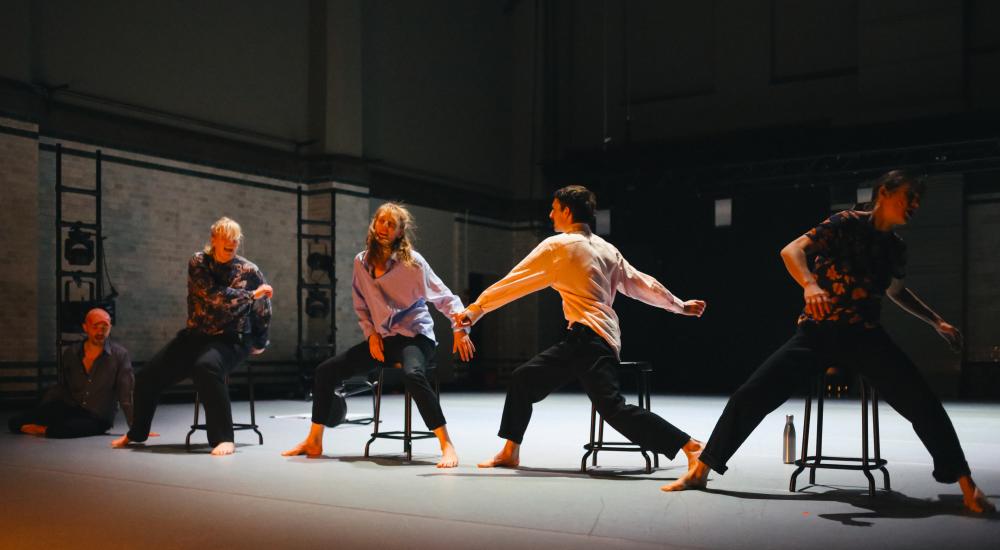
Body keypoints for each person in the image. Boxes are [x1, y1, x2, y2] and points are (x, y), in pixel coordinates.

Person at [664, 170, 995, 514]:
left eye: (918, 201)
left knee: (924, 404)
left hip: (866, 338)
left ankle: (967, 487)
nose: (914, 206)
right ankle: (701, 470)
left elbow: (897, 291)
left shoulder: (895, 247)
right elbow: (791, 251)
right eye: (908, 197)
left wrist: (935, 320)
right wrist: (810, 284)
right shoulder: (846, 223)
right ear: (885, 192)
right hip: (817, 333)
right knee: (752, 395)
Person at [452, 185, 707, 470]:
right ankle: (510, 451)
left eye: (554, 208)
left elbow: (515, 282)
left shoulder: (557, 246)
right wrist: (678, 305)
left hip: (589, 341)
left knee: (613, 408)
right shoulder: (607, 249)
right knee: (523, 380)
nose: (550, 214)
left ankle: (691, 445)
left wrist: (475, 309)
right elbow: (641, 284)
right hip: (590, 340)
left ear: (567, 211)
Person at [283, 202, 475, 468]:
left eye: (391, 224)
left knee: (413, 374)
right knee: (325, 371)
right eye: (381, 221)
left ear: (399, 232)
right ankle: (314, 440)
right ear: (374, 224)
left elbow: (445, 297)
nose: (384, 227)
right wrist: (371, 334)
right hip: (383, 340)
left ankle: (446, 444)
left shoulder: (413, 263)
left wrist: (460, 329)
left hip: (416, 336)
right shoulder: (361, 262)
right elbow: (360, 304)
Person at [112, 217, 272, 456]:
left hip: (232, 338)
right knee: (146, 378)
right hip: (196, 336)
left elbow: (263, 308)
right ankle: (137, 432)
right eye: (225, 238)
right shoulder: (199, 262)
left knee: (206, 367)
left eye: (235, 239)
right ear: (214, 240)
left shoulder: (250, 270)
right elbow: (211, 296)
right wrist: (250, 296)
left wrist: (259, 342)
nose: (231, 242)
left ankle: (224, 438)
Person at [9, 308, 133, 438]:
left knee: (60, 431)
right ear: (85, 327)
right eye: (95, 326)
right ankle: (44, 426)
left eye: (105, 326)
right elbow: (62, 387)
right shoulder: (72, 353)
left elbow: (126, 395)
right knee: (16, 422)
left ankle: (44, 430)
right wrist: (43, 408)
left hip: (98, 416)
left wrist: (135, 427)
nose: (100, 331)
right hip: (72, 408)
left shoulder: (120, 355)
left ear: (110, 328)